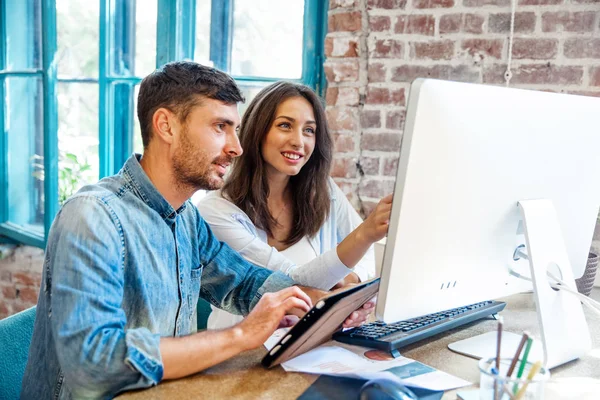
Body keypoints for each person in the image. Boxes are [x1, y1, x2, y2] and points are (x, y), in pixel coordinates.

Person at [21, 62, 371, 399]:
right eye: (220, 127)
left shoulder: (186, 218)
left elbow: (247, 283)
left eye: (234, 128)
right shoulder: (93, 217)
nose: (236, 147)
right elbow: (94, 364)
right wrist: (240, 335)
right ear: (166, 126)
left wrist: (325, 304)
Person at [197, 81, 392, 329]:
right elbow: (289, 282)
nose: (299, 141)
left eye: (309, 130)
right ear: (258, 130)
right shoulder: (215, 211)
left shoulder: (324, 191)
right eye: (285, 126)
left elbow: (365, 261)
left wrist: (349, 284)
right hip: (243, 355)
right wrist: (365, 235)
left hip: (309, 343)